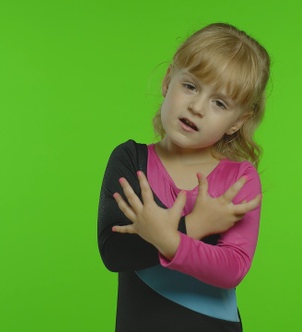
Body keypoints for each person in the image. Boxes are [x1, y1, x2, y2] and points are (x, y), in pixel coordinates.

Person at [97, 22, 270, 332]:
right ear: (168, 82)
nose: (197, 107)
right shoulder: (129, 160)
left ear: (238, 121)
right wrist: (192, 227)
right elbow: (114, 252)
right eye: (190, 86)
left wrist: (170, 240)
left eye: (219, 103)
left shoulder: (239, 179)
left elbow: (234, 268)